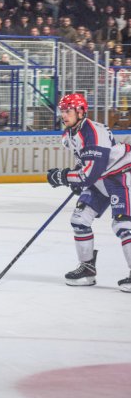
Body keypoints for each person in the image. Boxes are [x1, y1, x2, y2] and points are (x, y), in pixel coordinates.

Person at [46, 93, 131, 292]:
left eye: (68, 111)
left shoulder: (93, 131)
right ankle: (87, 268)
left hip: (122, 177)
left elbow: (90, 174)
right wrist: (75, 177)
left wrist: (64, 177)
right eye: (62, 111)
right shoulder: (69, 135)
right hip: (102, 179)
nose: (64, 115)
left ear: (81, 111)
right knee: (79, 220)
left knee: (123, 225)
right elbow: (86, 164)